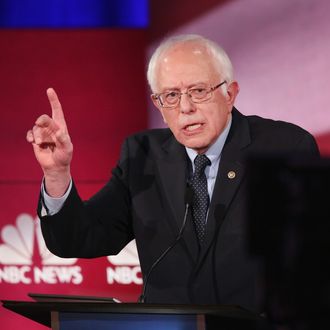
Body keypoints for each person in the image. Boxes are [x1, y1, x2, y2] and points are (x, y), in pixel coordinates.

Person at [26, 34, 319, 313]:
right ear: (158, 105)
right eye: (171, 95)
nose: (186, 108)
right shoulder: (142, 155)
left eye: (199, 91)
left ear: (230, 93)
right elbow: (78, 239)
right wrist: (57, 173)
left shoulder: (283, 146)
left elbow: (310, 263)